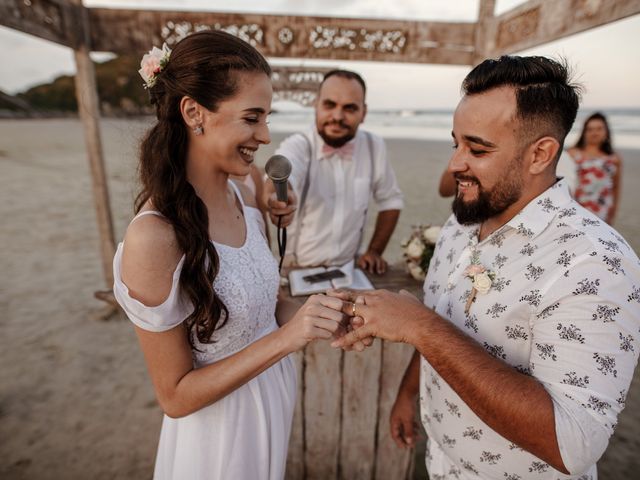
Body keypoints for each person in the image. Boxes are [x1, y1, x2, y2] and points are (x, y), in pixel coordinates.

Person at [331, 56, 640, 479]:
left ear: (540, 154)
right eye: (454, 144)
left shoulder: (597, 263)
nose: (456, 164)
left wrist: (419, 326)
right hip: (442, 462)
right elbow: (441, 316)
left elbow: (574, 444)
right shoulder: (462, 223)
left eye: (476, 149)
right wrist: (409, 393)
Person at [112, 31, 349, 480]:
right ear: (193, 113)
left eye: (267, 117)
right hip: (217, 436)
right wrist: (289, 338)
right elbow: (175, 397)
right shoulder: (155, 238)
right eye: (252, 118)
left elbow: (262, 305)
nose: (264, 135)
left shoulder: (244, 187)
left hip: (271, 398)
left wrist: (320, 317)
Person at [265, 69, 404, 274]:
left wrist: (374, 251)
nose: (337, 116)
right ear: (316, 105)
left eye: (349, 108)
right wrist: (277, 196)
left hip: (349, 270)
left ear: (363, 113)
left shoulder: (375, 147)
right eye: (330, 105)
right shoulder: (299, 144)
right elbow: (278, 173)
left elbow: (391, 200)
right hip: (296, 269)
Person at [568, 112, 622, 224]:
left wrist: (613, 212)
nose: (594, 133)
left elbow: (616, 187)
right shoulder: (572, 154)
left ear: (606, 131)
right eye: (590, 129)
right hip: (576, 206)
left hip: (602, 209)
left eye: (599, 129)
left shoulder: (614, 159)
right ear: (584, 132)